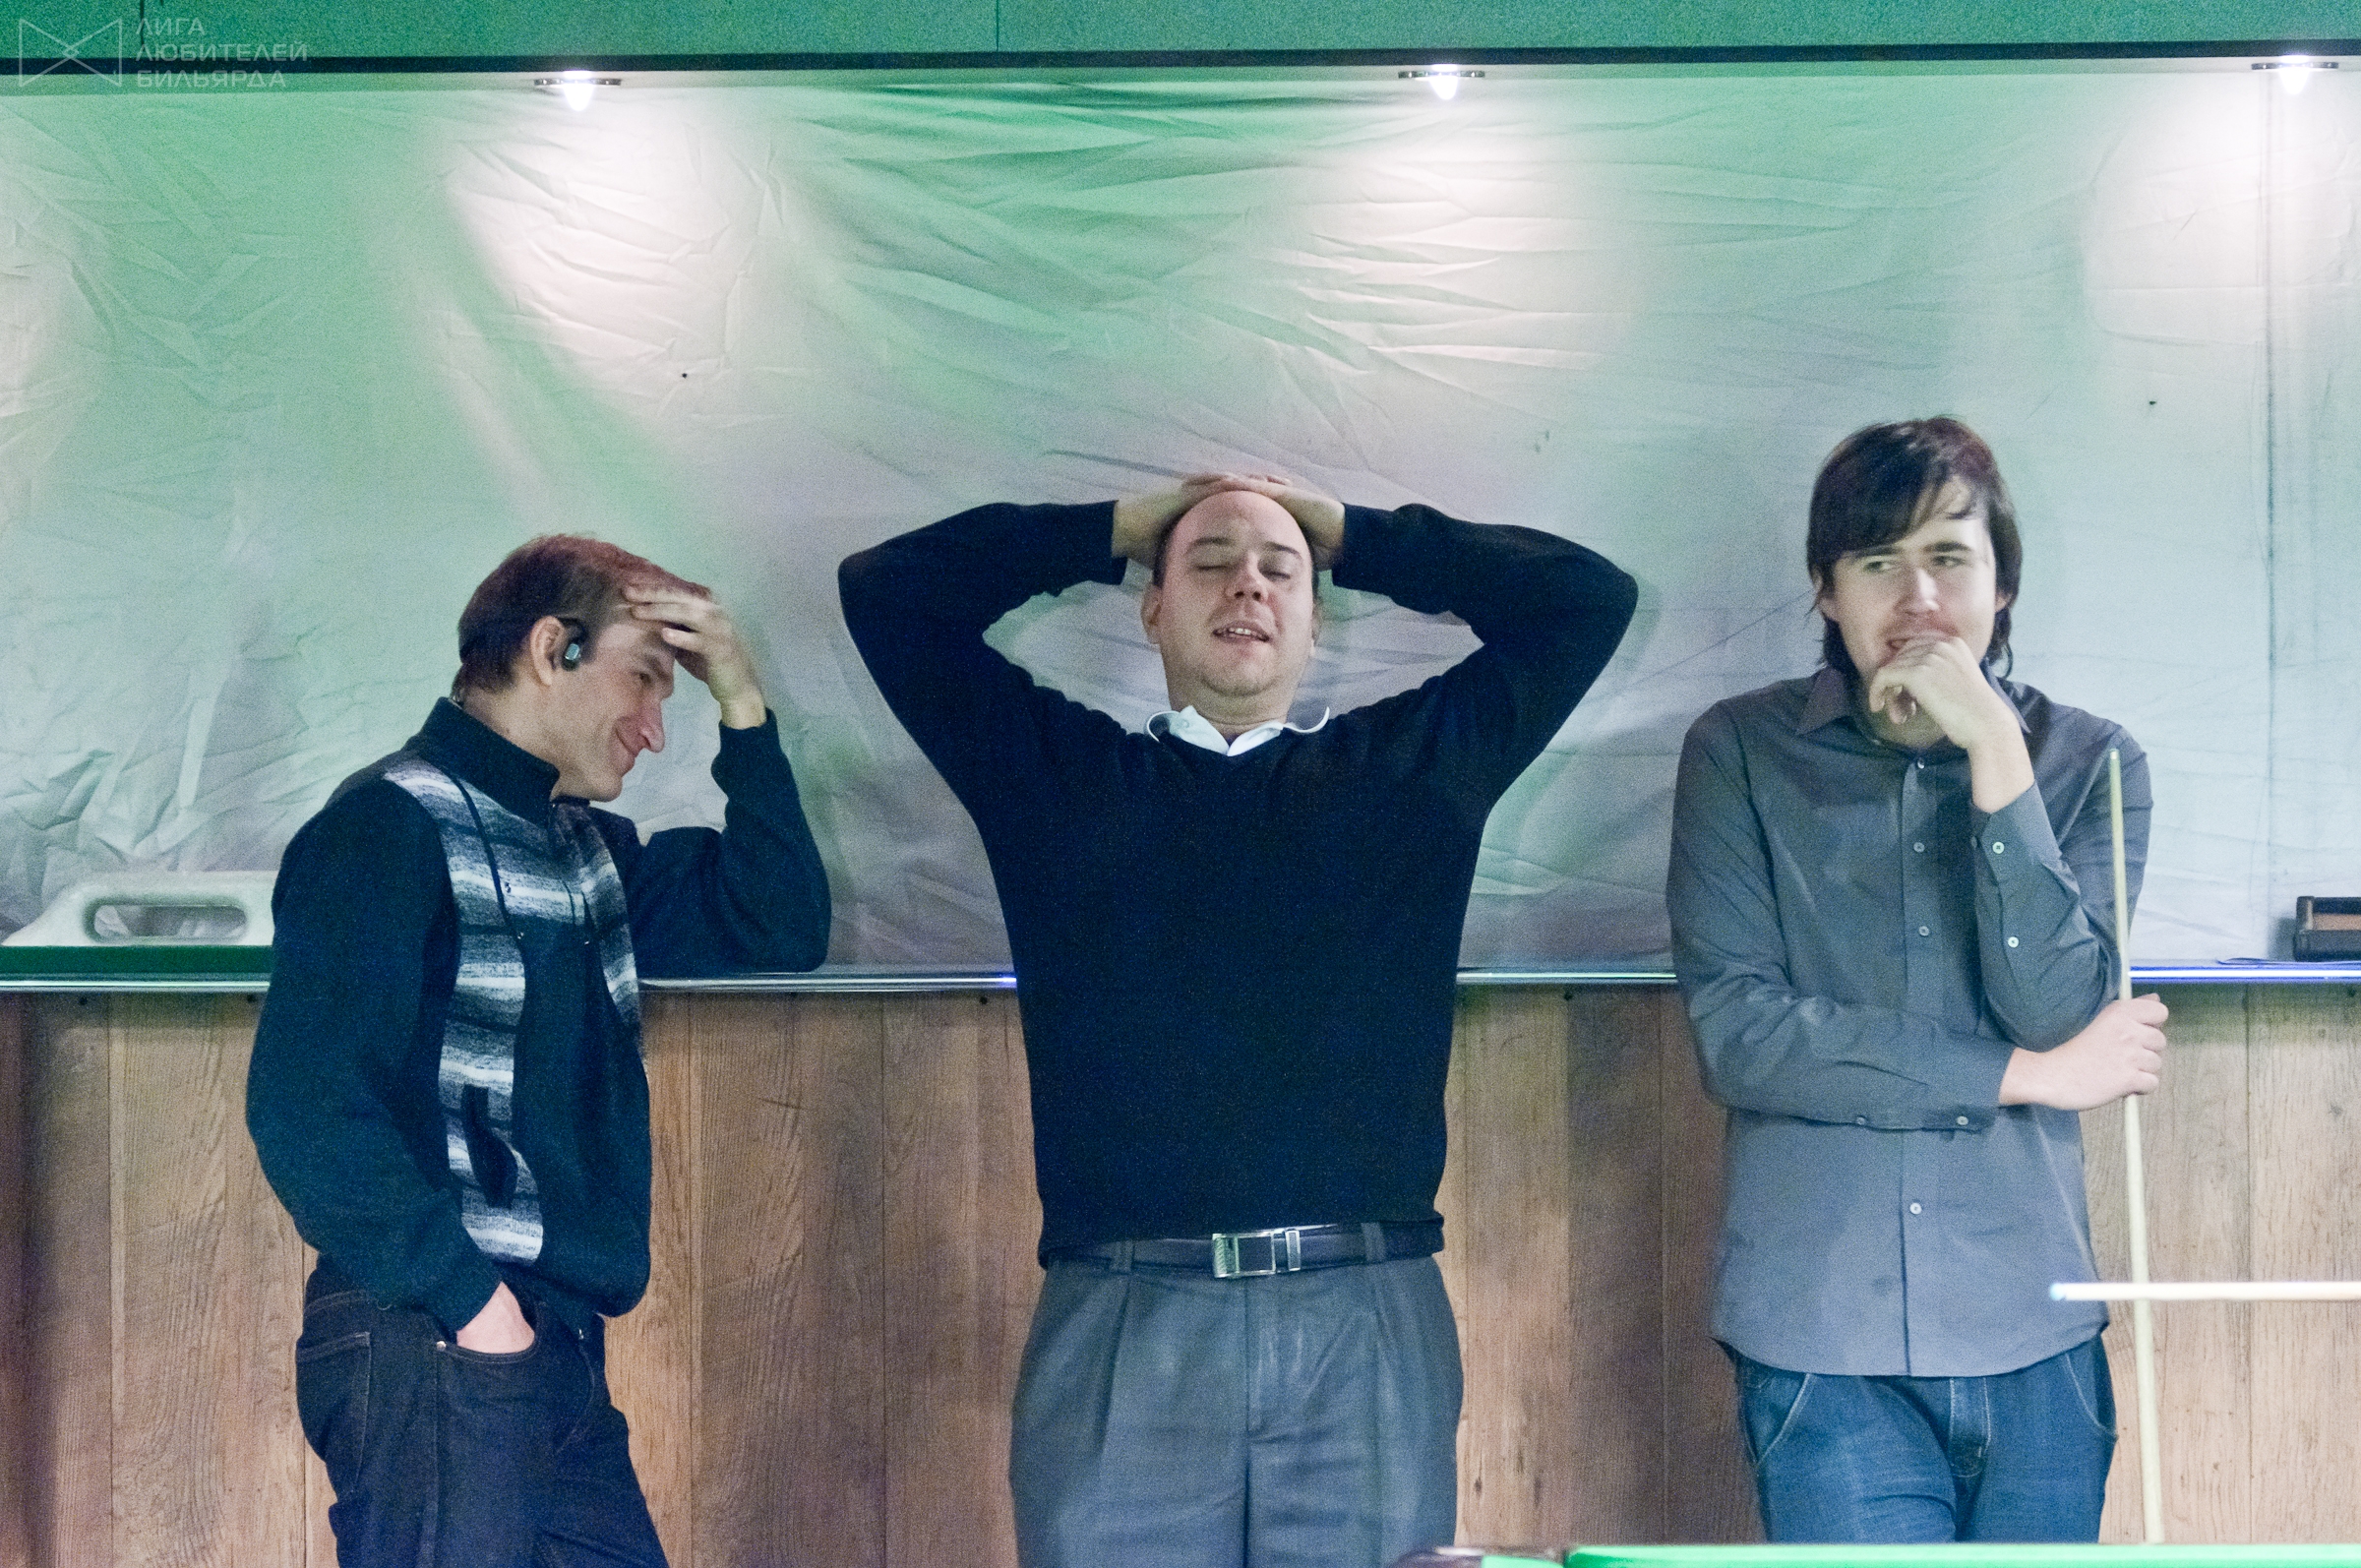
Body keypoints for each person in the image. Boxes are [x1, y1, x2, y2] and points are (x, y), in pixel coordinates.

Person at [839, 471, 1636, 1568]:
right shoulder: (1059, 782)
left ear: (1317, 619)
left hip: (1364, 1315)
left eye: (1281, 571)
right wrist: (1117, 528)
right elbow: (888, 593)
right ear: (1151, 608)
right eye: (1209, 565)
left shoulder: (1414, 773)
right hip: (1123, 1313)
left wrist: (1356, 536)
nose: (1247, 586)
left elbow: (1585, 599)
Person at [247, 536, 831, 1568]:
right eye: (644, 681)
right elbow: (306, 1109)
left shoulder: (586, 850)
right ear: (552, 648)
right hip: (437, 1331)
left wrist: (742, 699)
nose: (654, 730)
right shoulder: (384, 826)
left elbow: (778, 921)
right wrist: (480, 1314)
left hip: (541, 1346)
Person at [1666, 418, 2170, 1542]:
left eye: (1950, 556)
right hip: (1821, 1334)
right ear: (1826, 589)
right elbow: (1743, 1036)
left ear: (2003, 584)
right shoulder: (1738, 751)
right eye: (1877, 562)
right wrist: (2022, 1076)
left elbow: (2057, 1004)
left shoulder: (2095, 762)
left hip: (2035, 1330)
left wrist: (1997, 755)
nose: (1919, 598)